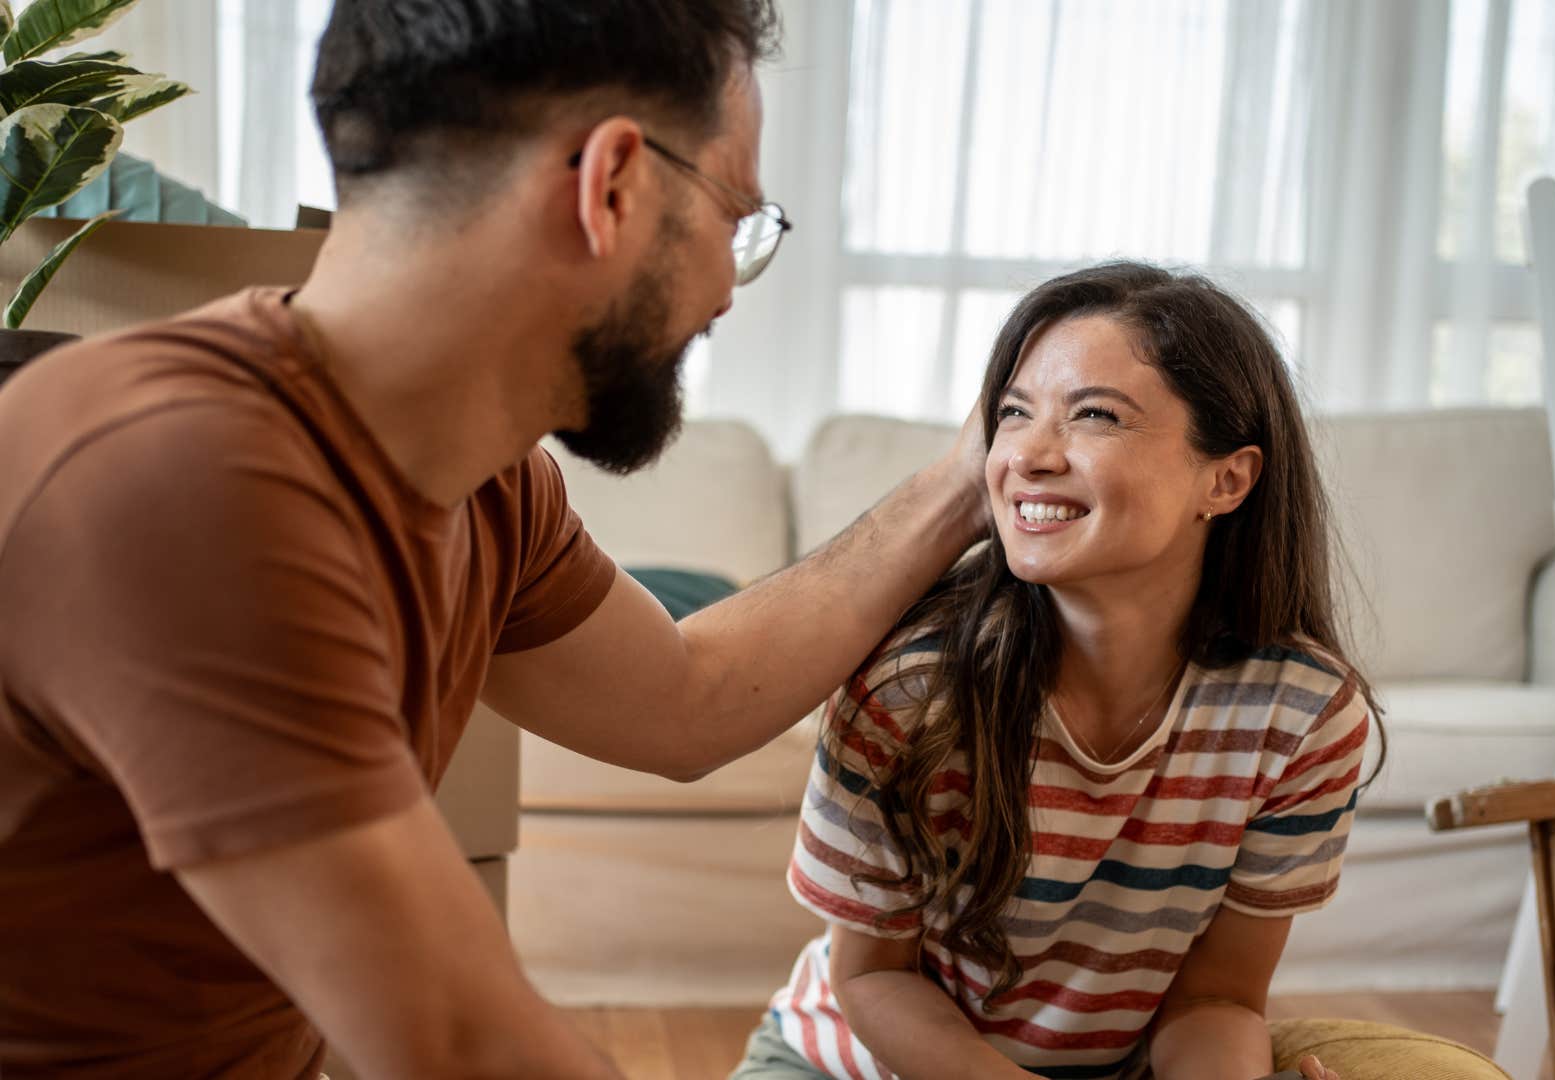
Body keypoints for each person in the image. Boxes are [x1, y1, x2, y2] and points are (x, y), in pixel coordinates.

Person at [0, 2, 988, 1077]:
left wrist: (966, 479)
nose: (723, 294)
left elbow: (688, 700)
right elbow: (457, 1043)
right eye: (733, 221)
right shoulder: (182, 478)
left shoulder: (487, 483)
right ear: (610, 186)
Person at [732, 263, 1379, 1080]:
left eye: (1094, 416)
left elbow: (1216, 998)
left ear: (1227, 479)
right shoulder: (911, 689)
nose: (1029, 456)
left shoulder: (1302, 716)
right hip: (846, 1064)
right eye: (1012, 414)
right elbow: (869, 977)